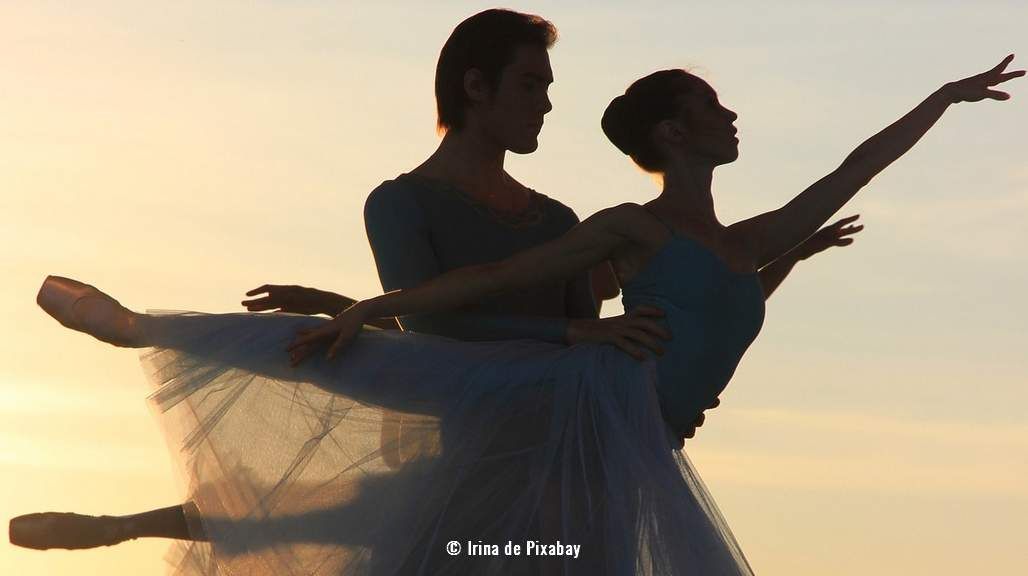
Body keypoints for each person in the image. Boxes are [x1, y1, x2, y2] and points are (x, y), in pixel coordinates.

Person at [11, 54, 1019, 574]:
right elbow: (480, 292)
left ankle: (127, 520)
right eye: (714, 108)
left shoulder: (747, 246)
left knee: (415, 536)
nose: (733, 118)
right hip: (579, 398)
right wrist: (365, 303)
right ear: (676, 132)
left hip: (638, 446)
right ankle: (143, 332)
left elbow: (847, 175)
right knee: (379, 451)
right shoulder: (630, 228)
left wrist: (940, 98)